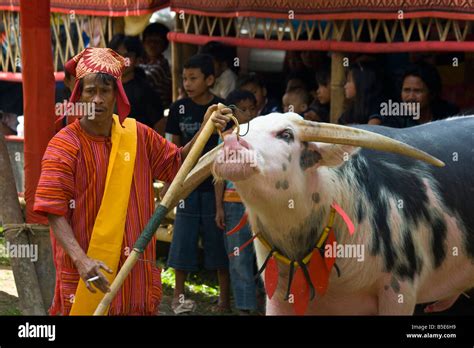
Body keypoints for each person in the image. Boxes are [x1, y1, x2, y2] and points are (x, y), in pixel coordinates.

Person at [33, 47, 231, 316]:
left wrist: (205, 127)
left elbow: (176, 165)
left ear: (118, 96)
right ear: (78, 95)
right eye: (90, 91)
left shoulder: (137, 135)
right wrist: (81, 261)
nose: (98, 99)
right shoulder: (64, 145)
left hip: (134, 271)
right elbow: (54, 211)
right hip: (89, 270)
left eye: (106, 91)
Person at [165, 54, 231, 314]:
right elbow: (173, 148)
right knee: (182, 241)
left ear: (210, 79)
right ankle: (178, 298)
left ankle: (224, 301)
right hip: (187, 186)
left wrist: (220, 200)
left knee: (218, 246)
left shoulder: (221, 109)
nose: (188, 83)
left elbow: (229, 146)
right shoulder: (178, 108)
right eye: (185, 78)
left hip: (217, 184)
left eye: (194, 78)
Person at [214, 90, 259, 315]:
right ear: (232, 113)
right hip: (232, 204)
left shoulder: (262, 135)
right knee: (239, 256)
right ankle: (245, 307)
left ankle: (269, 304)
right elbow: (218, 175)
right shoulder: (225, 136)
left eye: (253, 108)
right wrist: (219, 207)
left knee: (264, 256)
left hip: (260, 204)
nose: (250, 113)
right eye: (244, 109)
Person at [369, 62, 460, 127]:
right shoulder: (395, 121)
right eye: (406, 90)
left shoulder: (448, 116)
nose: (411, 97)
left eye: (417, 91)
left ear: (432, 94)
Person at [108, 34, 165, 134]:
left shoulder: (146, 91)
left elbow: (159, 125)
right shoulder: (102, 85)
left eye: (127, 56)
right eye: (117, 54)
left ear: (138, 60)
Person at [140, 22, 172, 111]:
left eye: (157, 42)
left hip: (155, 110)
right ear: (143, 42)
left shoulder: (162, 65)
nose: (152, 45)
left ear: (165, 45)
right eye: (149, 41)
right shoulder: (140, 61)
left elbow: (143, 79)